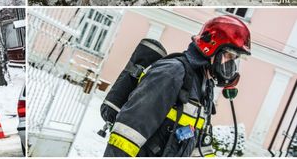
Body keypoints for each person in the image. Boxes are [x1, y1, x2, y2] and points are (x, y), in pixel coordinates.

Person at [102, 15, 250, 157]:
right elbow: (128, 133)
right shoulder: (172, 72)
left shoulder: (204, 86)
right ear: (211, 47)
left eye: (234, 60)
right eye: (229, 56)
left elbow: (198, 145)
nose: (230, 65)